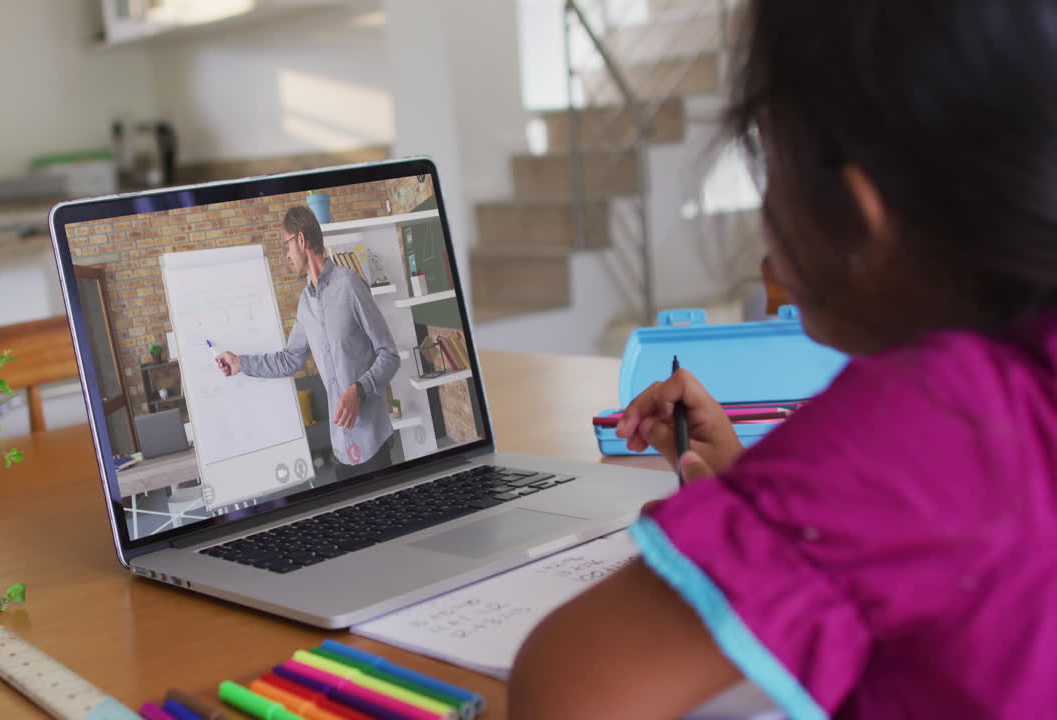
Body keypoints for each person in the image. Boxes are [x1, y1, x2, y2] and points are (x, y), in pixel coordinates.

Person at [510, 0, 1057, 717]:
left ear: (862, 217)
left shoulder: (929, 419)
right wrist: (754, 497)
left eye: (768, 159)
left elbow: (565, 693)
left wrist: (770, 515)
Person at [216, 206, 401, 478]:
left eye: (286, 246)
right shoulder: (305, 305)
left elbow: (389, 355)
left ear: (301, 241)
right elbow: (289, 360)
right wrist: (240, 363)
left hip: (373, 443)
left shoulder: (349, 285)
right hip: (341, 447)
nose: (286, 256)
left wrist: (358, 390)